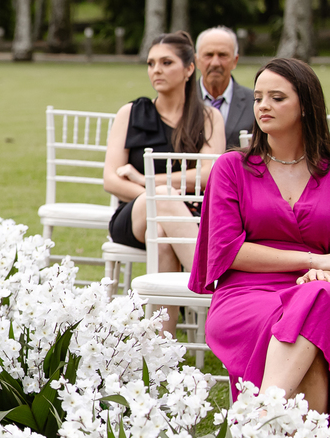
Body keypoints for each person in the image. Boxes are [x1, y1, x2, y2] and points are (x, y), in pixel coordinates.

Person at [190, 58, 330, 416]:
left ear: (305, 106)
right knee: (316, 316)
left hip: (320, 286)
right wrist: (314, 260)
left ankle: (261, 421)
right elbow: (227, 252)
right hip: (246, 294)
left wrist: (322, 273)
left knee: (317, 303)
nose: (263, 106)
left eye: (277, 98)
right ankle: (273, 425)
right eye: (258, 97)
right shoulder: (232, 168)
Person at [103, 31, 225, 335]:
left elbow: (210, 174)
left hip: (188, 218)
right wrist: (157, 195)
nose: (156, 70)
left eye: (166, 62)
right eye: (151, 63)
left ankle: (162, 344)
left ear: (189, 68)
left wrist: (149, 180)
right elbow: (111, 179)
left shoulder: (209, 117)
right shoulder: (130, 113)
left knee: (162, 231)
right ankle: (215, 287)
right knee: (162, 201)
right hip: (134, 214)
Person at [196, 26, 253, 146]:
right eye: (208, 55)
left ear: (235, 60)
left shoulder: (254, 103)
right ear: (197, 61)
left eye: (222, 55)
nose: (215, 63)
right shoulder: (181, 101)